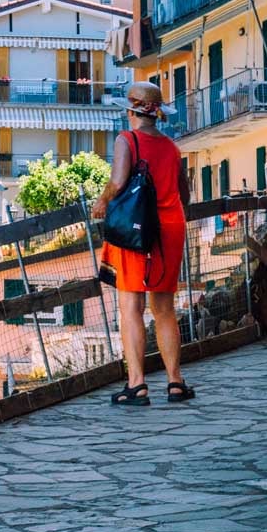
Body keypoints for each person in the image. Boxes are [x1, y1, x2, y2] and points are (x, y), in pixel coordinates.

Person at [90, 81, 194, 406]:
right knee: (163, 309)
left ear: (131, 110)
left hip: (136, 231)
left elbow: (119, 181)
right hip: (171, 228)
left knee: (131, 307)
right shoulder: (172, 147)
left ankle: (137, 385)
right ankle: (175, 382)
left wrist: (101, 202)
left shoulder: (127, 140)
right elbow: (184, 193)